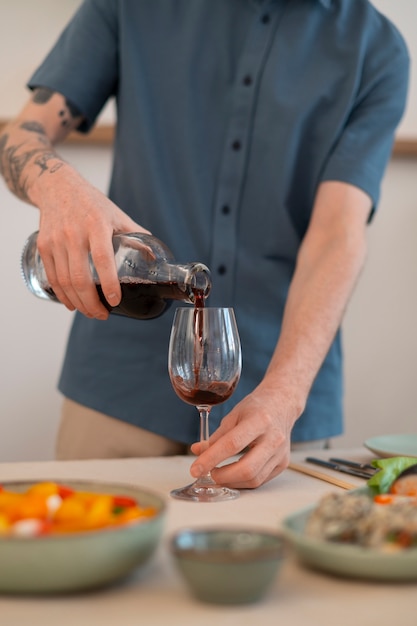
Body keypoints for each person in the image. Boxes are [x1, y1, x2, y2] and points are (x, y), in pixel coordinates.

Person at [0, 0, 409, 489]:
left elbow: (337, 234)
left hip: (277, 403)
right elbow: (22, 135)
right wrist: (57, 188)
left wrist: (285, 395)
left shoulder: (378, 50)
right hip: (119, 385)